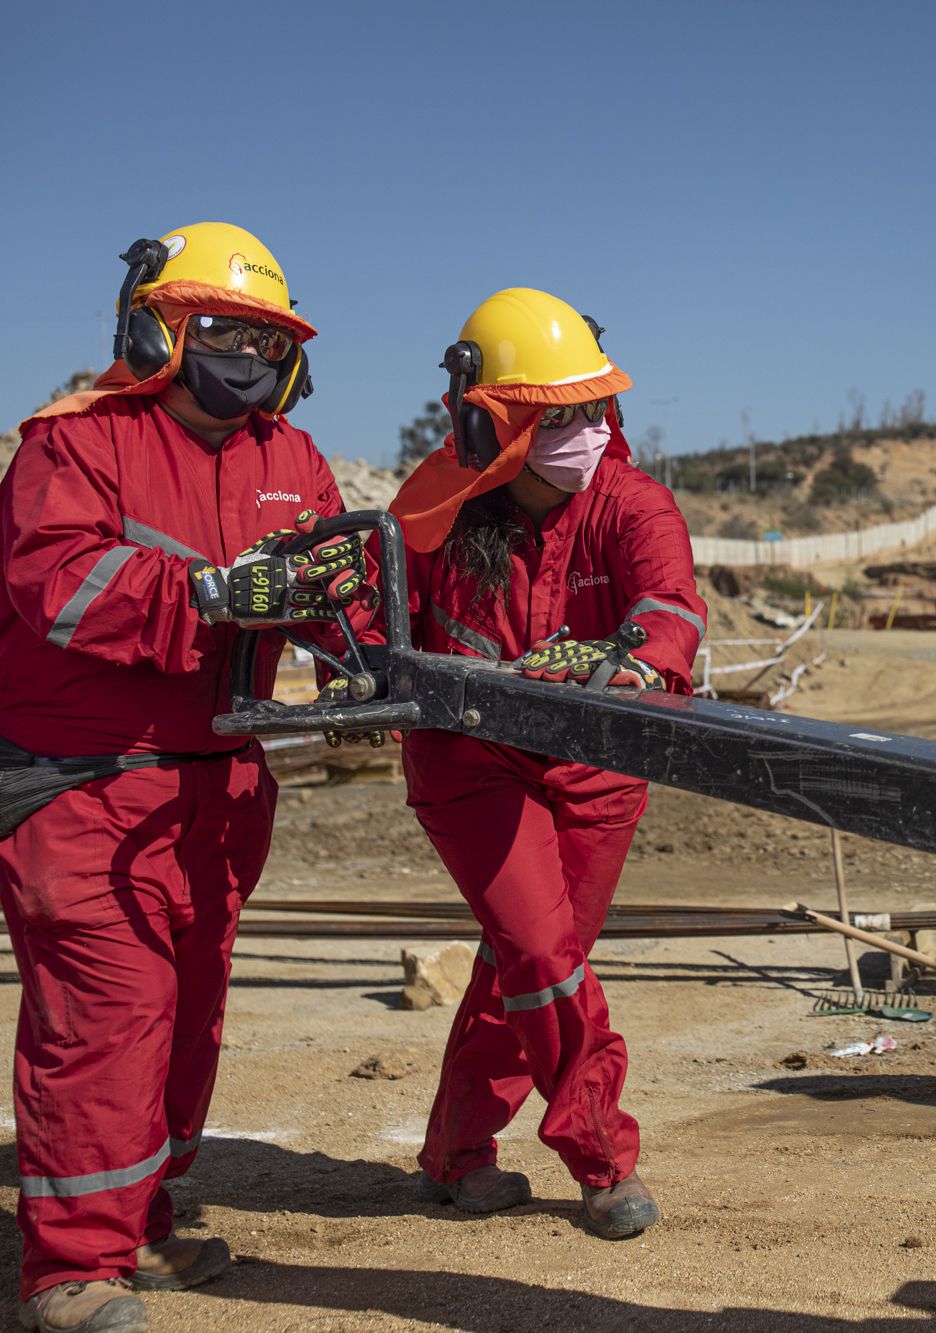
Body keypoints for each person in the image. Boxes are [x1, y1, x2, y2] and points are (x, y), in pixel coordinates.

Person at [0, 223, 369, 1332]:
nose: (241, 353)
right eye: (215, 327)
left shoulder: (288, 460)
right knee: (110, 1016)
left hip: (218, 783)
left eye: (261, 334)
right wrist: (206, 597)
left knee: (187, 1015)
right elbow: (56, 585)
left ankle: (142, 1220)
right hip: (83, 783)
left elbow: (326, 598)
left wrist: (355, 632)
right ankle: (68, 1268)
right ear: (151, 327)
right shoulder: (73, 446)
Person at [386, 288, 705, 1240]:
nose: (585, 432)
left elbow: (672, 605)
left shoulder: (630, 502)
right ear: (496, 425)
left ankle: (455, 1153)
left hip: (596, 767)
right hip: (469, 759)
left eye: (590, 408)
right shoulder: (435, 506)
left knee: (525, 966)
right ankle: (605, 1159)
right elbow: (370, 614)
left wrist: (641, 659)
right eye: (556, 417)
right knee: (539, 953)